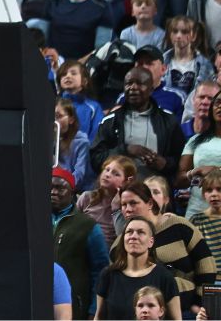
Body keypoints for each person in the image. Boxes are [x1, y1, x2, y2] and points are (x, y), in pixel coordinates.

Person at [118, 181, 216, 314]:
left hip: (188, 310)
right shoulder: (120, 243)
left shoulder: (178, 226)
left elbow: (206, 265)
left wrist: (200, 303)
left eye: (133, 203)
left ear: (150, 203)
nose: (128, 209)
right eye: (123, 205)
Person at [91, 67, 186, 179]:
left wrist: (165, 164)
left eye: (140, 84)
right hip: (119, 186)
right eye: (129, 83)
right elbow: (96, 159)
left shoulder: (168, 121)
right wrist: (125, 150)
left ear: (151, 90)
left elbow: (180, 159)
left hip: (155, 186)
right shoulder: (110, 121)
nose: (133, 87)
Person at [50, 167, 110, 320]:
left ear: (72, 192)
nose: (53, 192)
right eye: (50, 187)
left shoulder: (87, 226)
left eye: (60, 188)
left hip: (75, 308)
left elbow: (101, 271)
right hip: (36, 303)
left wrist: (94, 310)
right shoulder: (32, 221)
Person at [95, 216, 180, 320]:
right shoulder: (108, 275)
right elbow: (98, 317)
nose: (134, 236)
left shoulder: (164, 277)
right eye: (129, 232)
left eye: (141, 232)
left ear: (151, 242)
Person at [178, 91, 221, 219]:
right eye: (217, 103)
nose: (220, 107)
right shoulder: (196, 140)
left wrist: (216, 171)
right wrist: (194, 172)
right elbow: (178, 180)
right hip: (197, 211)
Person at [77, 155, 136, 246]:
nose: (107, 175)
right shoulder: (86, 197)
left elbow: (123, 237)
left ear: (126, 181)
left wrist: (116, 209)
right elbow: (72, 225)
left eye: (116, 174)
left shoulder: (127, 207)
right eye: (107, 170)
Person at [124, 45, 188, 121]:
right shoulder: (124, 97)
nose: (144, 67)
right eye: (140, 63)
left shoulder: (177, 97)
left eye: (149, 63)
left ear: (163, 69)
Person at [162, 16, 214, 96]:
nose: (178, 36)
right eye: (175, 31)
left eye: (184, 32)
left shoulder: (204, 64)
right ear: (170, 35)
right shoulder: (162, 61)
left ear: (194, 36)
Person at [57, 60, 103, 143]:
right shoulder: (53, 105)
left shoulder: (94, 107)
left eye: (73, 73)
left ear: (84, 81)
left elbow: (96, 137)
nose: (68, 76)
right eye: (64, 74)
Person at [190, 170, 221, 282]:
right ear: (203, 194)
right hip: (209, 280)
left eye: (219, 189)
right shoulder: (196, 220)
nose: (214, 194)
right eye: (209, 190)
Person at [55, 98, 91, 192]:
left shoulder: (82, 142)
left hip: (73, 191)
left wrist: (66, 183)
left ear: (71, 119)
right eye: (52, 117)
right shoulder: (49, 139)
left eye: (59, 116)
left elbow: (79, 175)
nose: (55, 121)